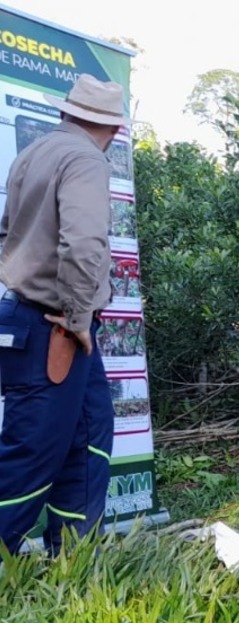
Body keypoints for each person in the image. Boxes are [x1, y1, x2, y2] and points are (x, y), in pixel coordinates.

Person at [0, 74, 125, 554]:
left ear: (65, 114)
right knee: (31, 454)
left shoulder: (30, 156)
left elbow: (7, 234)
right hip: (56, 326)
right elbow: (84, 244)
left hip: (30, 319)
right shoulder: (86, 160)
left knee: (88, 439)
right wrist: (75, 319)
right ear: (112, 130)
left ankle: (71, 557)